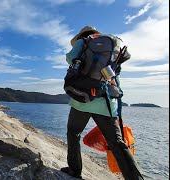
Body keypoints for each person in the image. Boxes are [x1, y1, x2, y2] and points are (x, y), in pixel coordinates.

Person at [61, 26, 144, 180]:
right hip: (106, 102)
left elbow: (70, 58)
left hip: (82, 100)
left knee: (73, 133)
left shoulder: (84, 42)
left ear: (83, 35)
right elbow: (115, 77)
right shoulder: (112, 48)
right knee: (117, 143)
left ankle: (75, 170)